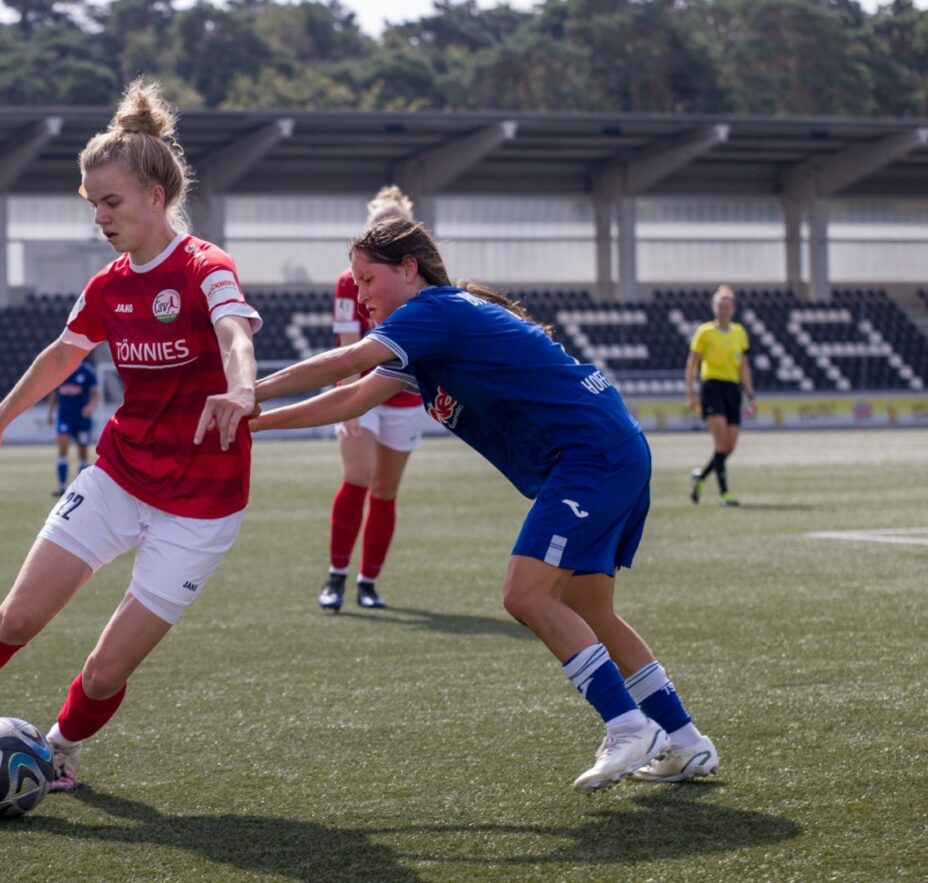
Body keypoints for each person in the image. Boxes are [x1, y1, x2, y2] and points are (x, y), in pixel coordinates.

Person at [0, 79, 260, 792]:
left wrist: (241, 383)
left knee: (107, 669)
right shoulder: (108, 285)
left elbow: (234, 330)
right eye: (92, 205)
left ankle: (58, 748)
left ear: (156, 197)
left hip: (202, 504)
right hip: (119, 475)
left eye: (112, 202)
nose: (100, 218)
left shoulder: (205, 265)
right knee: (17, 617)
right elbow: (63, 352)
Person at [251, 217, 717, 793]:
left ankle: (627, 726)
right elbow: (352, 397)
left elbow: (345, 365)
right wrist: (254, 423)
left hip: (590, 456)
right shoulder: (429, 331)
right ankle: (685, 741)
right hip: (610, 449)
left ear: (408, 269)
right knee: (590, 610)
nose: (360, 294)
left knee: (524, 593)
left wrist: (250, 391)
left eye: (367, 280)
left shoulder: (432, 312)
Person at [320, 185, 430, 612]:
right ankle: (336, 578)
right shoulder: (350, 281)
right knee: (358, 477)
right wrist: (346, 395)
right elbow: (348, 342)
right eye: (377, 224)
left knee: (385, 491)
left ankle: (368, 584)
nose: (384, 229)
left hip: (403, 394)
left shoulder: (417, 280)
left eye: (393, 224)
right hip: (362, 390)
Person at [685, 285, 755, 507]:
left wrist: (750, 395)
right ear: (714, 308)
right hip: (712, 388)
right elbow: (692, 364)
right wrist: (690, 392)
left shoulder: (739, 333)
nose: (723, 310)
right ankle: (725, 494)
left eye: (727, 306)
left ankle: (700, 477)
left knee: (730, 446)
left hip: (732, 390)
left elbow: (744, 366)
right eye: (719, 306)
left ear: (733, 309)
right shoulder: (705, 332)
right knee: (721, 442)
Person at [44, 353, 101, 496]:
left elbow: (96, 393)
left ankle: (82, 489)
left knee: (83, 454)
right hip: (65, 418)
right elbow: (54, 394)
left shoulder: (87, 371)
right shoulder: (61, 371)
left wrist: (90, 407)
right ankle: (62, 487)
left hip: (81, 419)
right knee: (62, 450)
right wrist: (50, 413)